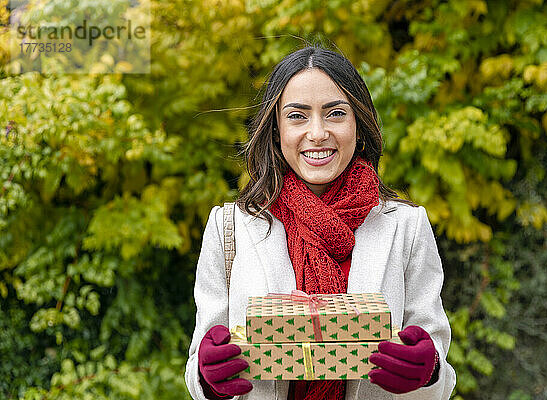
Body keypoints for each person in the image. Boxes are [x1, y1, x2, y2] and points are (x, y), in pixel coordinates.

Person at [185, 45, 456, 400]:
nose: (317, 132)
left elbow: (440, 374)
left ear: (358, 125)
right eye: (297, 116)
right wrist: (207, 377)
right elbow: (197, 368)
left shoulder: (406, 226)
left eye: (335, 114)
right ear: (276, 130)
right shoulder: (230, 227)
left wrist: (428, 371)